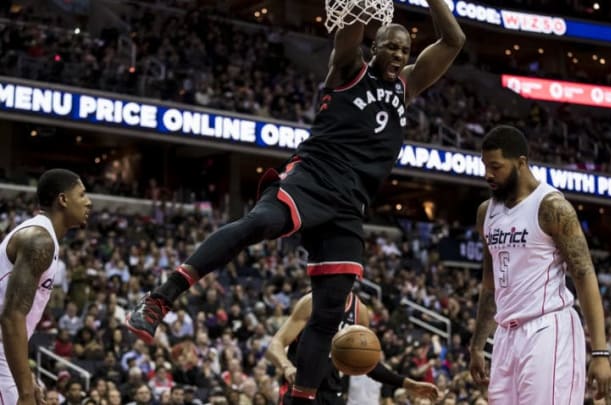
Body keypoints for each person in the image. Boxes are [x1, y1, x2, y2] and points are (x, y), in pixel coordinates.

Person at [127, 1, 464, 404]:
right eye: (391, 47)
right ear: (374, 47)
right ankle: (160, 298)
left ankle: (302, 399)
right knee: (257, 224)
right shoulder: (348, 69)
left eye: (404, 50)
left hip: (350, 203)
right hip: (314, 177)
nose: (398, 55)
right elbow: (351, 28)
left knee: (329, 309)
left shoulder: (406, 86)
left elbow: (454, 40)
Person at [467, 126, 611, 404]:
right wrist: (478, 343)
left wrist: (600, 352)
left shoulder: (552, 207)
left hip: (547, 328)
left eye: (495, 167)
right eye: (485, 166)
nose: (488, 174)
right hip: (505, 336)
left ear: (521, 163)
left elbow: (584, 275)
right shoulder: (486, 212)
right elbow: (490, 283)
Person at [0, 168, 92, 405]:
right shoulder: (39, 240)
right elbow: (11, 316)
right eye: (82, 195)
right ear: (62, 199)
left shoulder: (44, 237)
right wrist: (25, 392)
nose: (89, 202)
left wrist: (26, 378)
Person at [265, 291, 440, 404]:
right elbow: (274, 345)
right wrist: (286, 366)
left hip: (331, 393)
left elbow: (369, 365)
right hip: (299, 389)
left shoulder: (359, 311)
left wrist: (407, 383)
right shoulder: (311, 302)